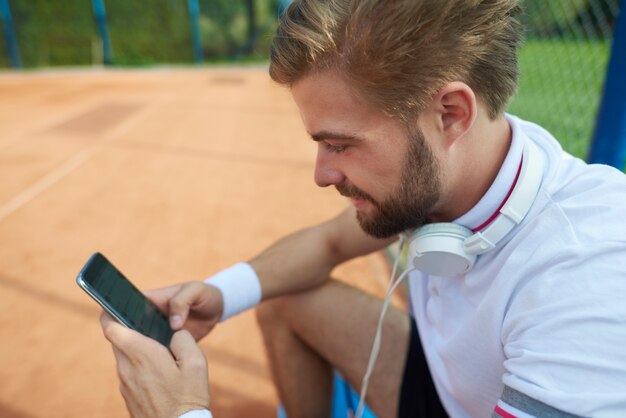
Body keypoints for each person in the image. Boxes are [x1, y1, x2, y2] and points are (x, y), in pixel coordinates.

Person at [99, 0, 626, 417]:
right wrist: (220, 293)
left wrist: (180, 413)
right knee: (284, 297)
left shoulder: (585, 277)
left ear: (450, 113)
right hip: (442, 383)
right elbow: (328, 243)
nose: (322, 174)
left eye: (342, 144)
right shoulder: (463, 161)